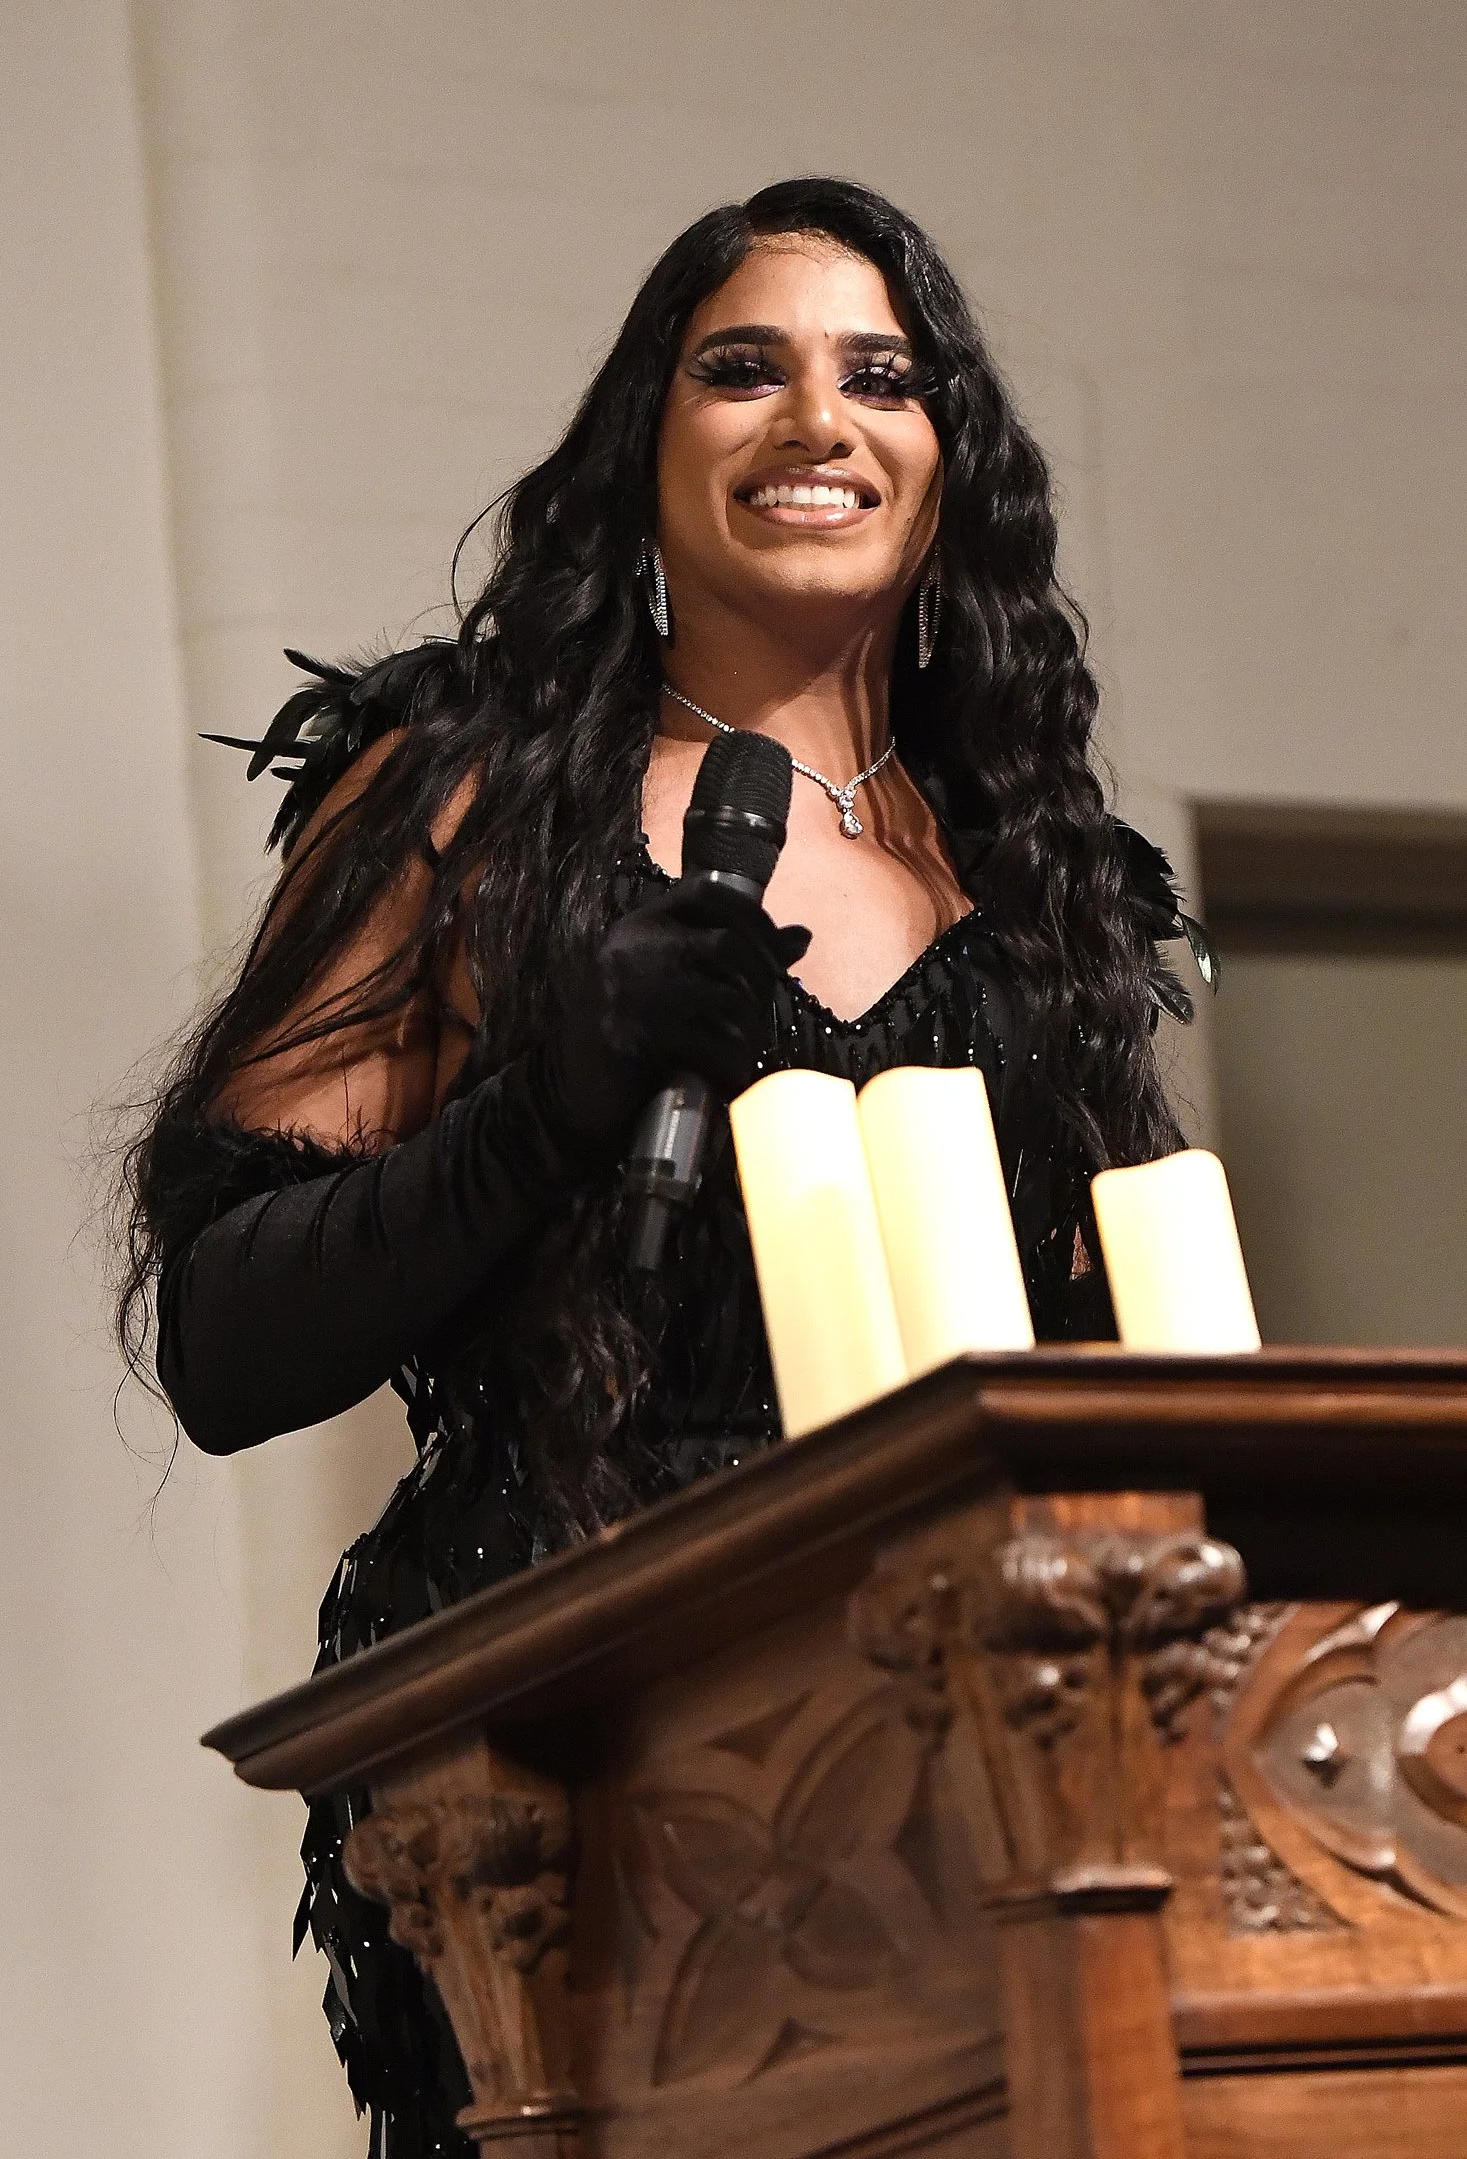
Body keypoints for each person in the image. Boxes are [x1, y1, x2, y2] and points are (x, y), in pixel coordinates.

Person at [119, 177, 1204, 2157]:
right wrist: (551, 1098)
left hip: (964, 1769)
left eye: (883, 375)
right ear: (645, 448)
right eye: (743, 370)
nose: (818, 420)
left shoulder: (1041, 876)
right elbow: (224, 1328)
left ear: (948, 465)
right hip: (579, 1768)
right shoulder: (469, 799)